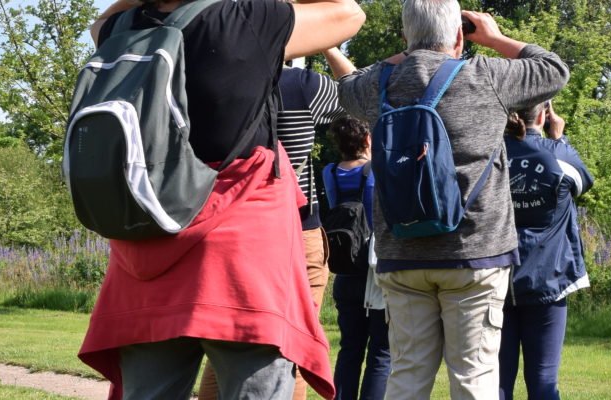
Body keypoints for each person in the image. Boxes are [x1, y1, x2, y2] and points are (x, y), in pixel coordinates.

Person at [76, 1, 364, 399]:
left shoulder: (121, 30)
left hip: (145, 247)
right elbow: (348, 13)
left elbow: (98, 23)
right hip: (239, 262)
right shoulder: (247, 19)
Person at [335, 1, 570, 398]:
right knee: (474, 376)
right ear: (460, 35)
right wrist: (494, 38)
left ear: (406, 37)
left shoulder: (378, 85)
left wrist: (408, 52)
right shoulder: (487, 76)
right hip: (474, 254)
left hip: (401, 253)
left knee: (406, 374)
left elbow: (347, 84)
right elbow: (554, 69)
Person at [197, 47, 360, 400]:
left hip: (230, 230)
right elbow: (358, 94)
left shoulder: (210, 79)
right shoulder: (300, 84)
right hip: (296, 231)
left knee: (227, 342)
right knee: (293, 345)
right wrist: (328, 44)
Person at [498, 102, 592, 400]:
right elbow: (583, 182)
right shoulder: (557, 154)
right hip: (548, 280)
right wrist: (559, 137)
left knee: (496, 381)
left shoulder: (492, 154)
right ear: (543, 115)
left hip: (497, 279)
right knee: (543, 381)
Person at [324, 116, 392, 400]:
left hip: (344, 267)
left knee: (350, 348)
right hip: (373, 269)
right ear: (367, 140)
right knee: (381, 350)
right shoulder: (375, 170)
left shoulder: (329, 171)